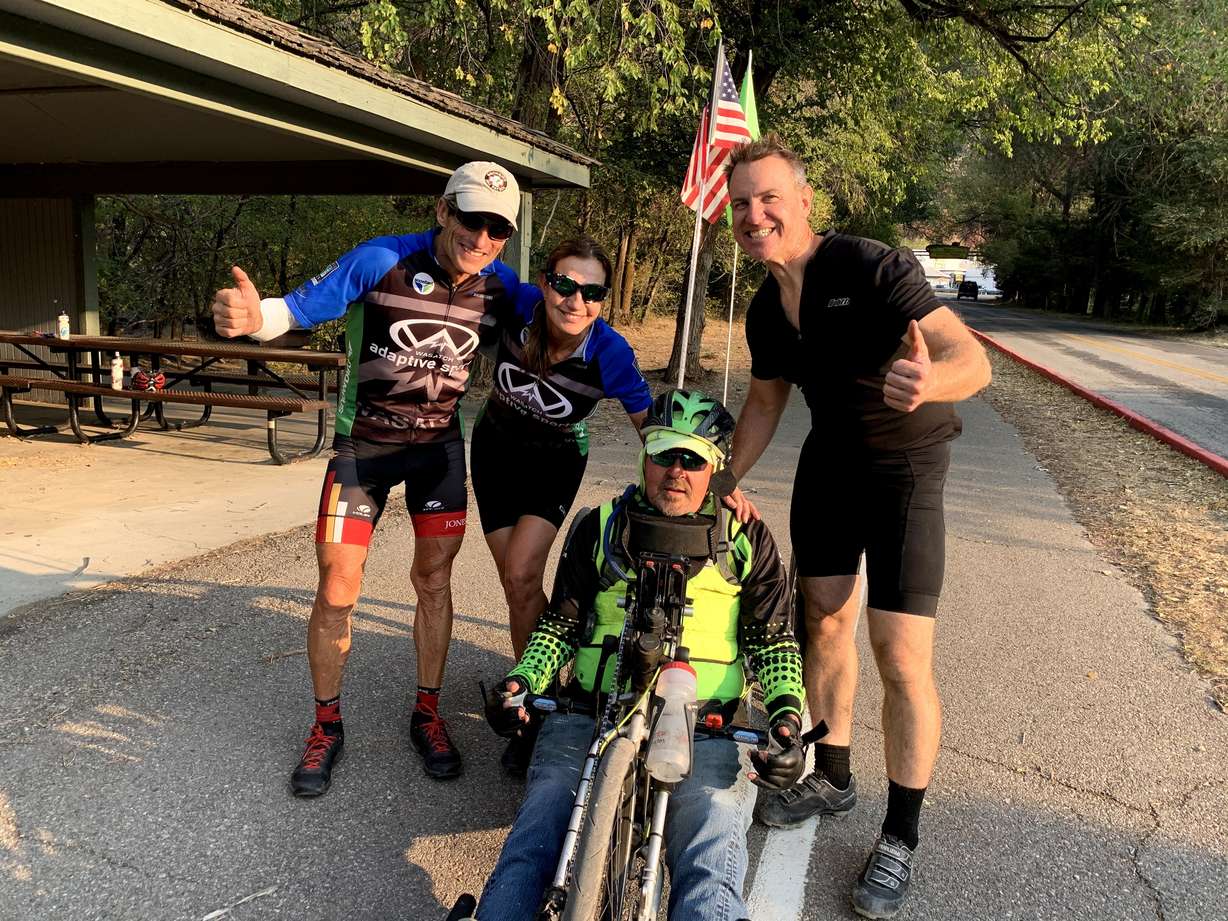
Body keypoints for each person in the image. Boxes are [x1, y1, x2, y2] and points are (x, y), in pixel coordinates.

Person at [723, 134, 992, 919]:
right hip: (831, 464)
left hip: (907, 466)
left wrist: (930, 379)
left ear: (804, 201)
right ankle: (832, 774)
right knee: (824, 618)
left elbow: (972, 359)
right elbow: (768, 401)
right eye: (741, 202)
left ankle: (901, 834)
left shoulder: (872, 267)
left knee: (900, 653)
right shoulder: (766, 307)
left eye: (769, 197)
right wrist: (724, 480)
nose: (754, 213)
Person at [211, 161, 540, 793]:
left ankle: (428, 713)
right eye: (472, 219)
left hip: (438, 453)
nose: (482, 238)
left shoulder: (502, 288)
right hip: (363, 450)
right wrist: (254, 318)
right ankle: (326, 726)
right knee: (338, 588)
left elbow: (567, 320)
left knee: (434, 583)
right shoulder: (381, 259)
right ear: (443, 210)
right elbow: (297, 310)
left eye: (498, 229)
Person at [470, 389, 808, 921]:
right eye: (663, 453)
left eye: (692, 458)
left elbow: (774, 642)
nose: (676, 470)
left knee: (711, 847)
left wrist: (787, 717)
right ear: (644, 456)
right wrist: (523, 680)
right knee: (538, 829)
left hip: (708, 726)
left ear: (716, 469)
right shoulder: (598, 527)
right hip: (589, 710)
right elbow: (558, 627)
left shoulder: (747, 538)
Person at [469, 235, 652, 772]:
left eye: (591, 291)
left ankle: (533, 707)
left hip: (555, 459)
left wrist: (713, 483)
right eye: (566, 285)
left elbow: (653, 430)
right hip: (495, 452)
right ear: (546, 284)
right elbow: (464, 263)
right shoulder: (518, 302)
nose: (576, 300)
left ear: (603, 299)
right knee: (513, 580)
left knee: (524, 573)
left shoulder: (610, 352)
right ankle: (540, 673)